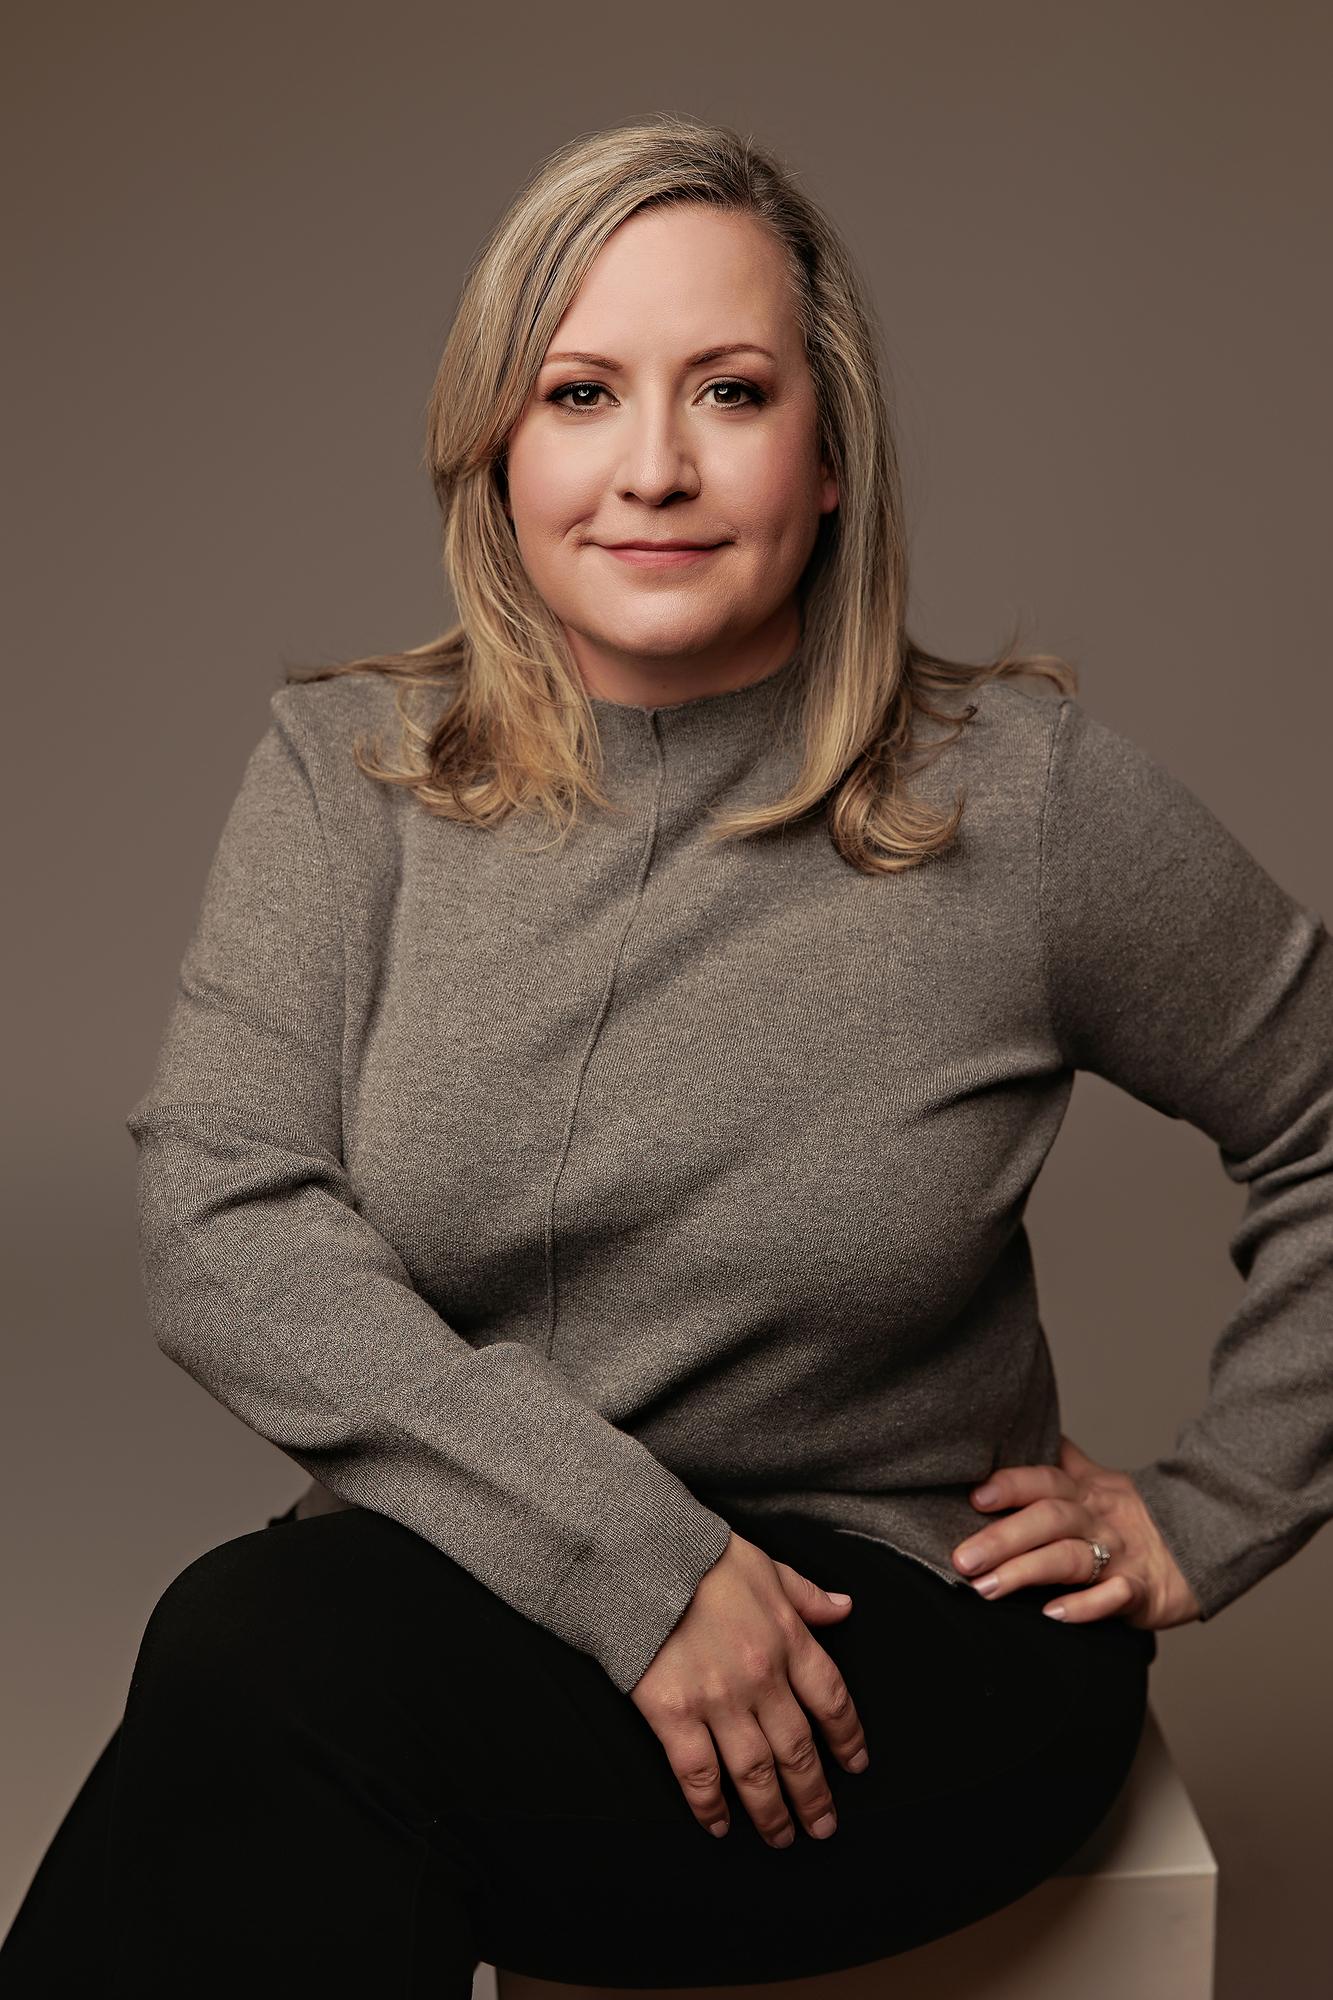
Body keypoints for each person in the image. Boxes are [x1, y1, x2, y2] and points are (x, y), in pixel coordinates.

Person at [3, 112, 1330, 1997]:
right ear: (498, 450)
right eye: (579, 394)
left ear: (829, 456)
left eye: (728, 390)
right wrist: (644, 1570)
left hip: (897, 1643)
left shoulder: (1018, 802)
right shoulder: (344, 778)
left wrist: (1216, 1506)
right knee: (270, 1672)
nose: (652, 466)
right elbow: (225, 1228)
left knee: (262, 1675)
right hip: (475, 1586)